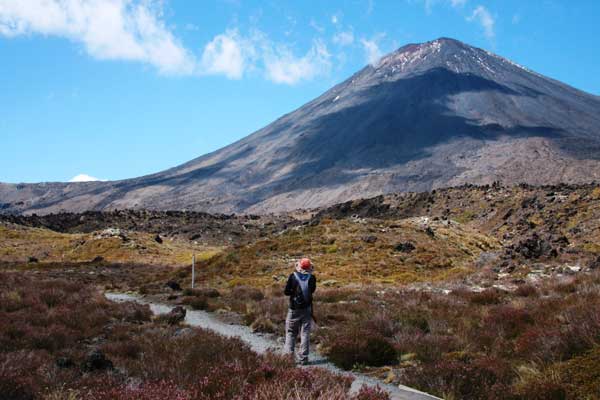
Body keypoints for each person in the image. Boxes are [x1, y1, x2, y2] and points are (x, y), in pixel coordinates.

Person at [283, 257, 317, 365]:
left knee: (291, 332)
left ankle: (288, 358)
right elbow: (312, 290)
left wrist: (294, 291)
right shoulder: (312, 278)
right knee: (305, 333)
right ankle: (303, 358)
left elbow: (286, 292)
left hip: (294, 309)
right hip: (306, 309)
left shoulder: (293, 276)